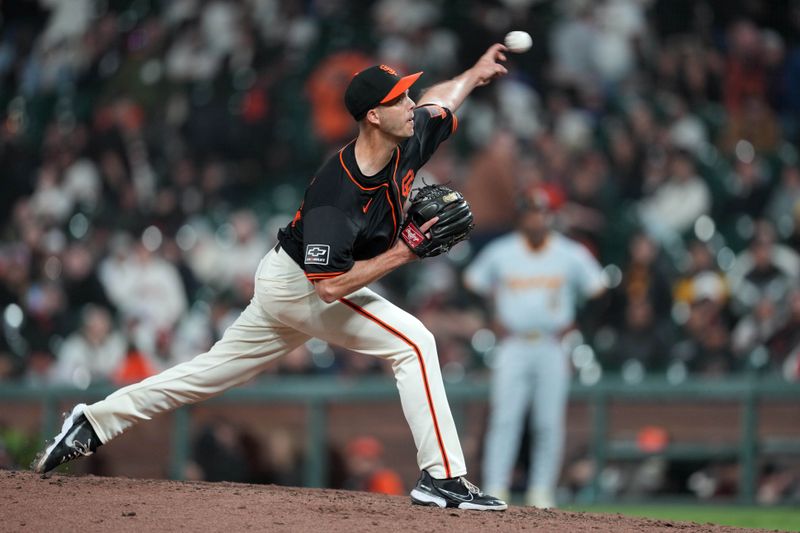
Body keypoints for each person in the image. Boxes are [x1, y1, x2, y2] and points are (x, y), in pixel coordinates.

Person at [34, 44, 510, 511]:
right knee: (414, 342)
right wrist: (406, 253)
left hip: (288, 276)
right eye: (399, 99)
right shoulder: (337, 191)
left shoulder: (409, 134)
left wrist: (474, 72)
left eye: (407, 95)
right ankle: (443, 478)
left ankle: (92, 423)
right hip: (303, 284)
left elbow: (440, 100)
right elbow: (329, 287)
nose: (411, 105)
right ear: (372, 116)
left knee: (205, 376)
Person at [464, 189, 606, 508]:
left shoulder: (570, 253)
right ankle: (496, 485)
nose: (535, 218)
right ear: (521, 217)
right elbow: (471, 284)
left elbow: (600, 291)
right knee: (505, 417)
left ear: (550, 217)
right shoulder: (502, 252)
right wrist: (490, 317)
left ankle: (542, 489)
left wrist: (579, 322)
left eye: (541, 212)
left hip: (552, 344)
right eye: (530, 212)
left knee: (548, 420)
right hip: (512, 343)